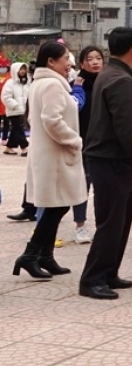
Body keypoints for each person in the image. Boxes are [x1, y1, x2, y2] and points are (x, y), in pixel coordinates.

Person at [79, 28, 132, 299]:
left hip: (111, 158)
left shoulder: (111, 73)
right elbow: (128, 129)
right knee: (111, 221)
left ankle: (109, 272)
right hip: (109, 159)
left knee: (122, 218)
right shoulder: (121, 80)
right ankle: (92, 279)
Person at [10, 41, 85, 280]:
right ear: (51, 62)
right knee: (58, 205)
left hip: (49, 154)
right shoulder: (52, 84)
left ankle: (45, 255)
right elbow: (51, 120)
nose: (69, 64)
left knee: (57, 205)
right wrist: (74, 140)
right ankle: (31, 255)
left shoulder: (40, 83)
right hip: (56, 155)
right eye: (66, 59)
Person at [69, 45, 105, 244]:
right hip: (82, 142)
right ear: (82, 63)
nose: (94, 62)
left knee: (103, 186)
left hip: (104, 142)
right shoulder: (76, 84)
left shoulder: (107, 81)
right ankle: (80, 225)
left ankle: (103, 225)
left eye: (98, 58)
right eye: (89, 59)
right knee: (82, 184)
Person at [1, 61, 30, 155]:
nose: (23, 71)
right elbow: (5, 97)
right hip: (13, 110)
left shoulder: (25, 82)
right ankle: (24, 148)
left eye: (24, 69)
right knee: (19, 129)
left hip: (23, 110)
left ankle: (9, 147)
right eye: (21, 69)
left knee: (15, 129)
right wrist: (15, 105)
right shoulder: (10, 83)